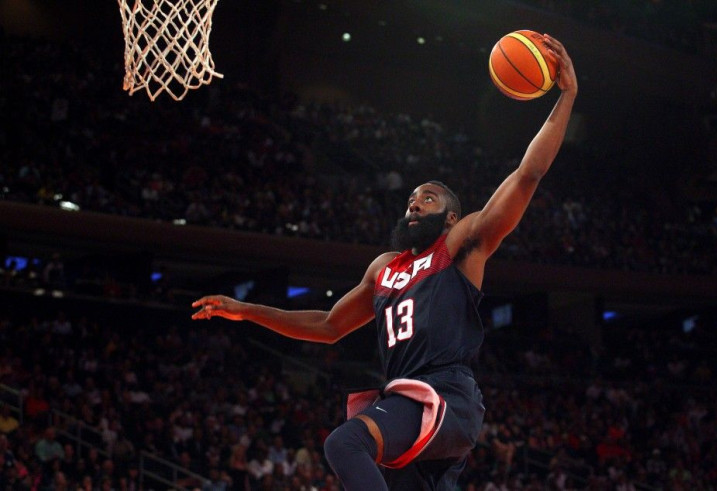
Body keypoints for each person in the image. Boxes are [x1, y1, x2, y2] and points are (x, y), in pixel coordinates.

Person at [193, 34, 577, 491]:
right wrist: (247, 310)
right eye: (411, 199)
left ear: (451, 217)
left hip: (445, 394)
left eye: (428, 198)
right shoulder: (384, 268)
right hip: (405, 401)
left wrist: (567, 95)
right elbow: (328, 326)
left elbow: (527, 175)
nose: (414, 204)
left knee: (345, 444)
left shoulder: (459, 247)